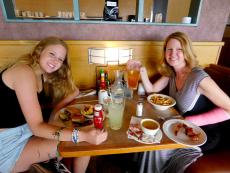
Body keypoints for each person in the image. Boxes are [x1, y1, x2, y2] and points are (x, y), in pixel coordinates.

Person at [0, 37, 108, 173]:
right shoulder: (23, 72)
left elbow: (47, 120)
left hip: (26, 134)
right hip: (6, 147)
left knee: (79, 130)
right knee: (84, 141)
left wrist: (68, 98)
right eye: (52, 54)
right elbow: (38, 127)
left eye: (60, 59)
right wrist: (83, 136)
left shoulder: (41, 76)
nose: (55, 61)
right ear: (39, 52)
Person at [127, 31, 230, 173]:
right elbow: (152, 90)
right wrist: (142, 71)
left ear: (186, 52)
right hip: (180, 127)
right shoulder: (172, 72)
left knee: (158, 143)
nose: (173, 53)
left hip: (203, 134)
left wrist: (188, 121)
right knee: (151, 133)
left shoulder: (199, 77)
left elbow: (229, 109)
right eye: (169, 49)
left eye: (179, 49)